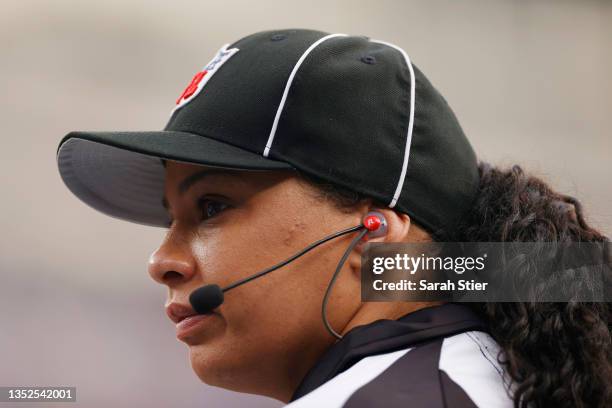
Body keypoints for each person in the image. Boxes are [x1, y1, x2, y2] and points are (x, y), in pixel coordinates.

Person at [55, 29, 611, 407]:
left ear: (377, 234)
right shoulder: (482, 376)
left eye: (212, 207)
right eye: (169, 217)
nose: (163, 261)